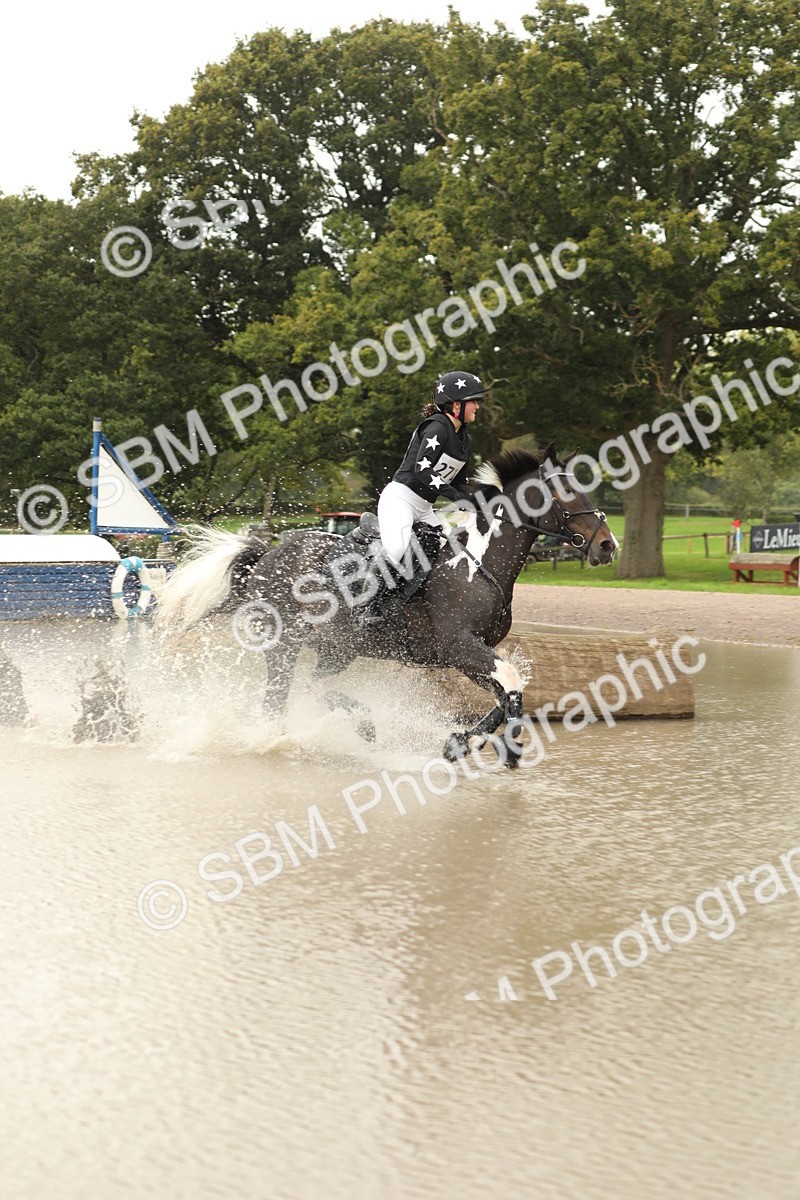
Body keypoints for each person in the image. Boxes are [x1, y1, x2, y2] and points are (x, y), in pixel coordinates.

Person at [353, 370, 488, 628]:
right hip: (400, 499)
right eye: (473, 401)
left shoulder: (464, 440)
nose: (477, 406)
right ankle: (364, 606)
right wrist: (455, 496)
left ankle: (411, 605)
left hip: (425, 507)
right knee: (395, 548)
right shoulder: (437, 427)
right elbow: (422, 470)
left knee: (447, 550)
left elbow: (460, 482)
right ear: (456, 405)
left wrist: (483, 500)